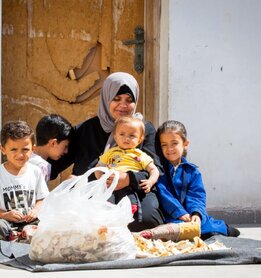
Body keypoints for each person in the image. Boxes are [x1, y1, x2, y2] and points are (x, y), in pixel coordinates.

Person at [49, 72, 164, 231]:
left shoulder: (144, 129)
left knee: (145, 220)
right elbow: (54, 163)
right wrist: (30, 168)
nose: (123, 105)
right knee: (85, 222)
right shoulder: (85, 130)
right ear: (106, 97)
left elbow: (157, 168)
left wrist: (128, 178)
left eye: (129, 100)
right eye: (116, 99)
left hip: (133, 190)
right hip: (92, 190)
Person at [155, 120, 240, 239]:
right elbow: (163, 194)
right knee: (176, 228)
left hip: (190, 213)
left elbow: (197, 195)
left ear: (185, 144)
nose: (169, 149)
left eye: (174, 143)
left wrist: (196, 213)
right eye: (164, 144)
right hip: (172, 214)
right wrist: (179, 213)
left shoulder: (192, 171)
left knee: (204, 224)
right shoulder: (159, 171)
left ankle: (223, 228)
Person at [0, 120, 49, 241]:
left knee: (46, 226)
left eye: (25, 149)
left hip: (28, 222)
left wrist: (35, 211)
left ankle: (21, 236)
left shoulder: (35, 172)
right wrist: (4, 215)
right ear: (3, 149)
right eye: (14, 149)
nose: (20, 155)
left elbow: (43, 198)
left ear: (33, 149)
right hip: (6, 224)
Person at [95, 115, 160, 220]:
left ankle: (131, 211)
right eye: (122, 134)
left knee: (129, 198)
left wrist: (151, 181)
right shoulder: (110, 152)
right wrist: (101, 179)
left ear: (140, 140)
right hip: (110, 184)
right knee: (106, 200)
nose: (126, 138)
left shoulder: (139, 155)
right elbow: (99, 167)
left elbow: (154, 169)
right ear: (115, 136)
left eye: (132, 136)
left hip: (129, 185)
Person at [29, 114, 73, 183]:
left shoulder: (29, 159)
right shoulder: (41, 166)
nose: (66, 151)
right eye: (65, 146)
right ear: (53, 143)